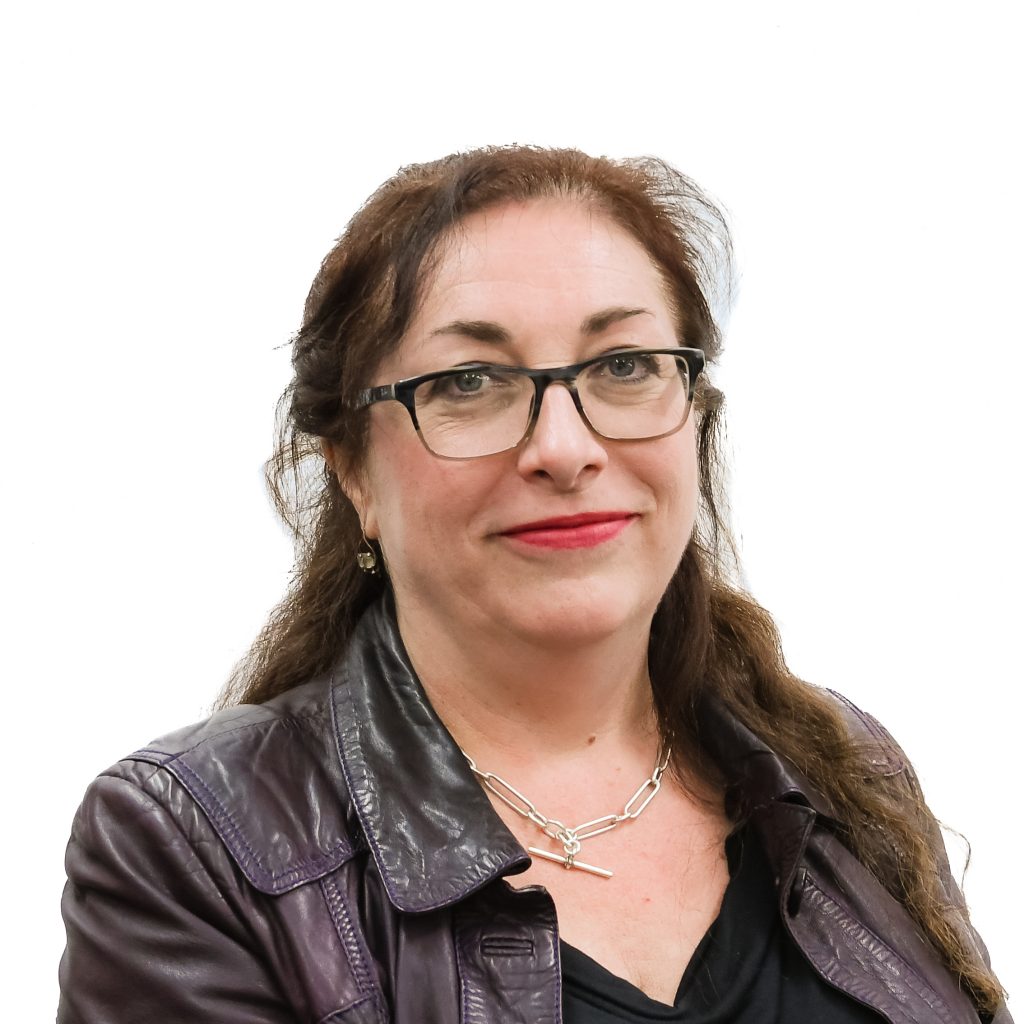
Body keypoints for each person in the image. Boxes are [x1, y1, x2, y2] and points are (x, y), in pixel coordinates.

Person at [58, 146, 1010, 1024]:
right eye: (470, 381)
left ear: (694, 419)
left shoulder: (837, 766)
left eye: (626, 365)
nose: (565, 447)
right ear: (353, 471)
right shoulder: (193, 847)